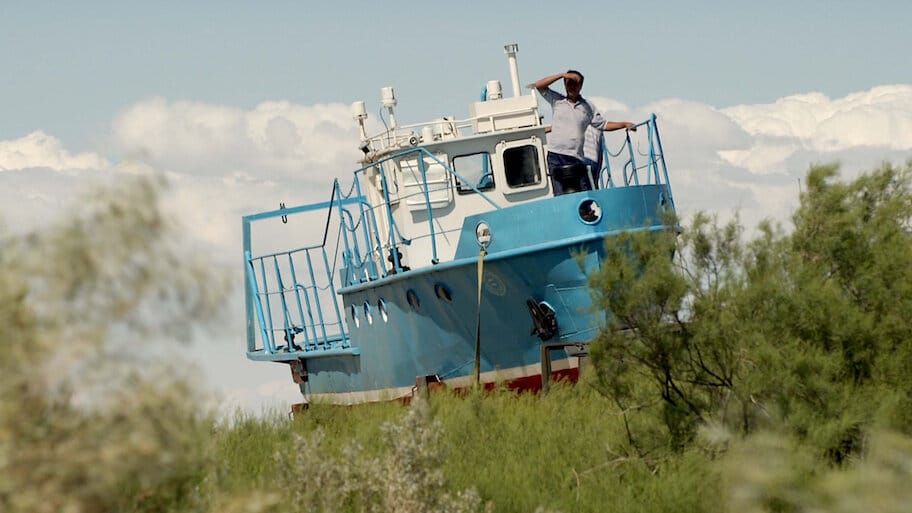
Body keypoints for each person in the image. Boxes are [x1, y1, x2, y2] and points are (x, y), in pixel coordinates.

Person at [534, 70, 633, 194]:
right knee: (561, 193)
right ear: (564, 84)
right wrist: (561, 75)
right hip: (556, 155)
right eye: (569, 83)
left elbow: (603, 124)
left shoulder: (587, 107)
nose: (572, 86)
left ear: (580, 85)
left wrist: (624, 124)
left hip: (576, 156)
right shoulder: (557, 100)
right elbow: (539, 85)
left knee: (584, 192)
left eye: (575, 83)